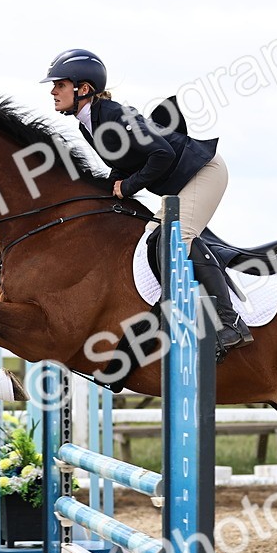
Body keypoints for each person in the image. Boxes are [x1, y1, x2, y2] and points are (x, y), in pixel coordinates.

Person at [41, 48, 253, 362]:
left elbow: (162, 154)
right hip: (185, 180)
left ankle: (230, 321)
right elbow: (124, 161)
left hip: (205, 172)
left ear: (82, 88)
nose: (53, 91)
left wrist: (127, 186)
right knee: (152, 239)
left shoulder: (112, 115)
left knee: (175, 238)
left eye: (59, 84)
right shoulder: (89, 122)